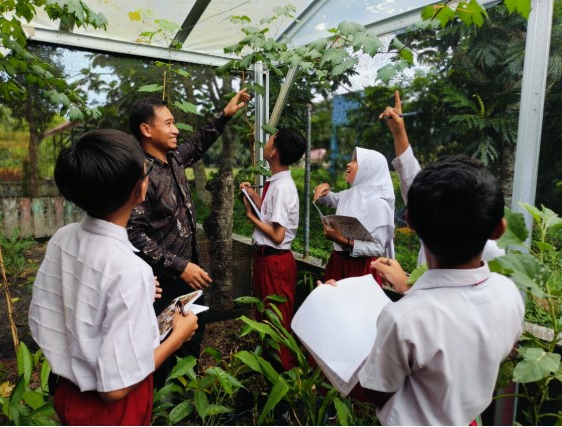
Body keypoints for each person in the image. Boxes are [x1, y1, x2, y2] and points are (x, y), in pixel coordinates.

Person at [28, 129, 198, 425]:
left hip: (68, 393)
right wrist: (177, 337)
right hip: (112, 413)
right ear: (139, 191)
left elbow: (69, 302)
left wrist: (136, 294)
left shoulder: (62, 238)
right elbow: (115, 388)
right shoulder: (129, 269)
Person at [354, 155, 525, 425]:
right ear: (498, 229)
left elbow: (376, 391)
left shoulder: (403, 319)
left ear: (409, 221)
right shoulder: (509, 294)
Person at [127, 89, 250, 388]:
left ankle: (188, 400)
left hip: (190, 275)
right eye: (168, 123)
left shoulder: (174, 159)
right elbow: (133, 233)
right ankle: (162, 405)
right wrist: (179, 266)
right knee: (163, 348)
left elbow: (197, 143)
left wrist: (225, 115)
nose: (176, 130)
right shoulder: (140, 174)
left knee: (192, 342)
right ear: (146, 129)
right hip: (161, 282)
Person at [381, 90, 505, 267]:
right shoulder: (497, 259)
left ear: (411, 219)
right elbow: (413, 182)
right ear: (499, 229)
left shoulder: (432, 228)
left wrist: (404, 284)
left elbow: (414, 184)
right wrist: (399, 132)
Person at [239, 128, 307, 371]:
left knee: (276, 321)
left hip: (275, 262)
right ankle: (269, 371)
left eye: (269, 140)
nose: (265, 144)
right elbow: (269, 216)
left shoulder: (283, 187)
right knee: (265, 316)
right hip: (267, 260)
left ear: (274, 151)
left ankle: (283, 375)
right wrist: (252, 196)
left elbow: (278, 236)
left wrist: (251, 216)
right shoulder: (276, 182)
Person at [313, 148, 395, 282]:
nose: (349, 164)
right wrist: (323, 186)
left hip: (361, 269)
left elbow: (377, 248)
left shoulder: (380, 204)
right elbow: (326, 198)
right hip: (338, 263)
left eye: (355, 161)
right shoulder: (349, 194)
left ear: (368, 169)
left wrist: (343, 240)